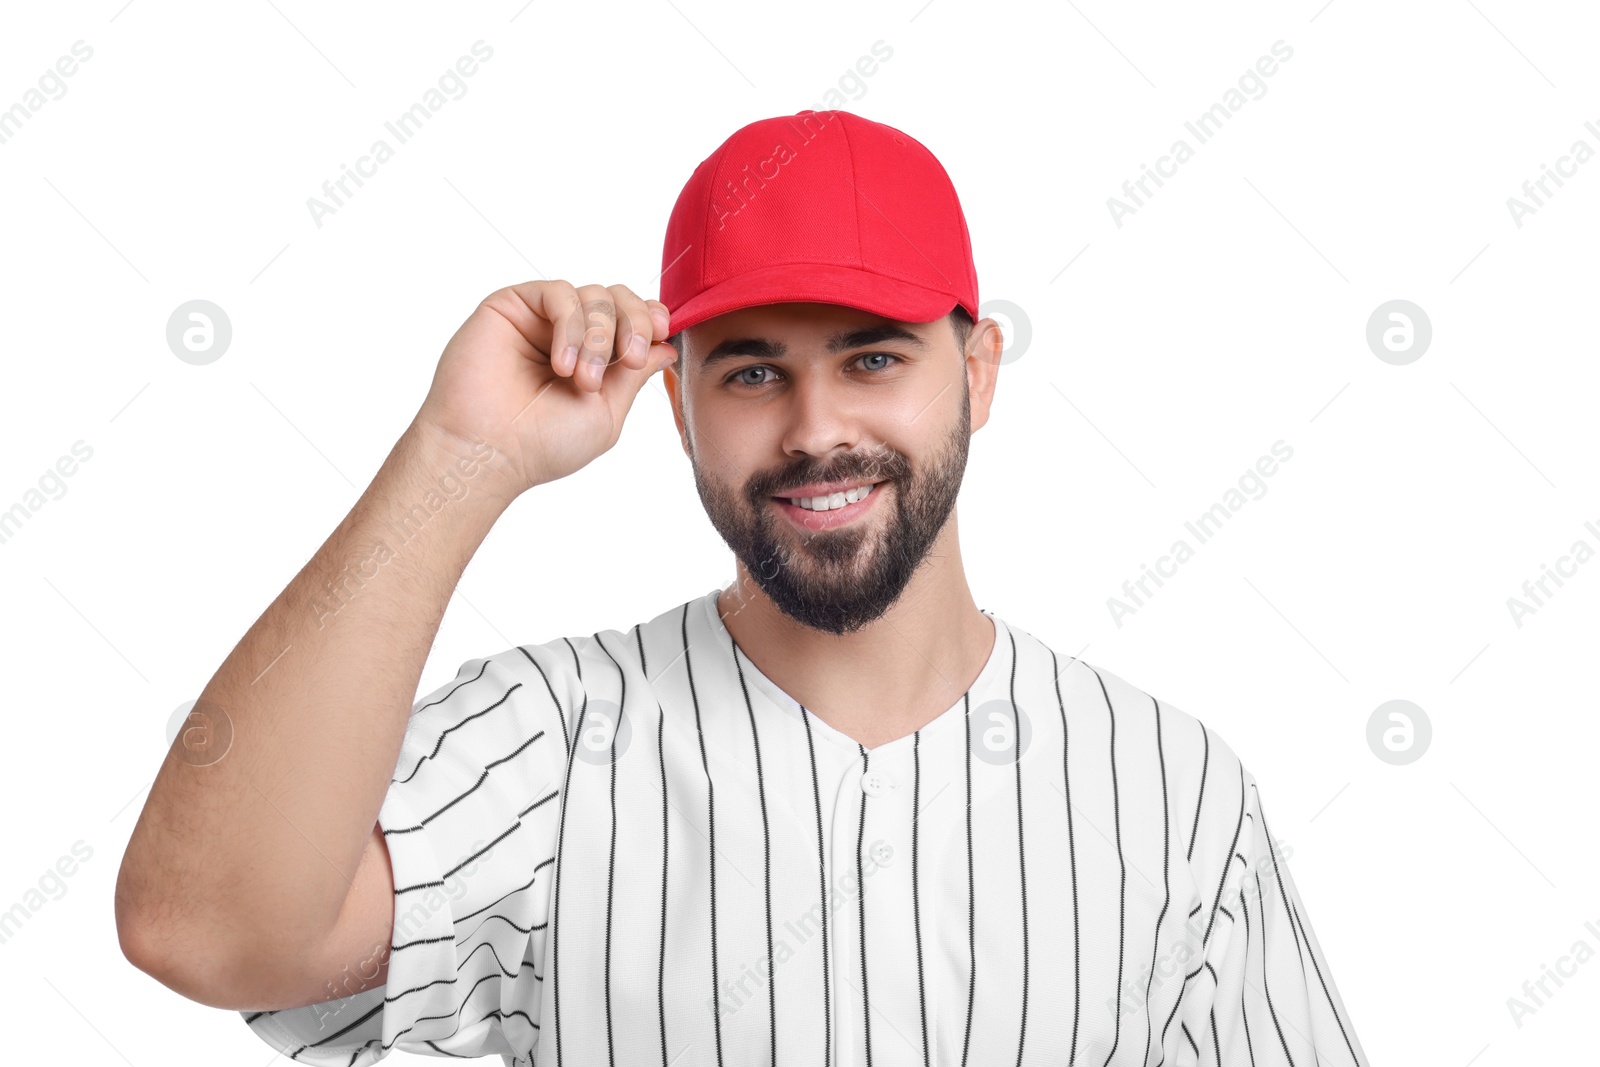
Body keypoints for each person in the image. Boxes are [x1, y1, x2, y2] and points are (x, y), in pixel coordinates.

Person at [115, 109, 1370, 1067]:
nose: (816, 429)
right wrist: (460, 460)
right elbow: (205, 927)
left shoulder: (1167, 784)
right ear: (674, 399)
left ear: (978, 370)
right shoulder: (552, 741)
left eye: (872, 356)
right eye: (753, 372)